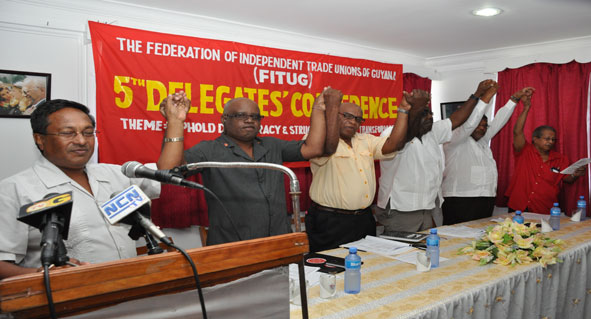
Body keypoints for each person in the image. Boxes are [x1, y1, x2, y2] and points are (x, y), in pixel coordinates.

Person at [0, 99, 160, 280]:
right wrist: (46, 275)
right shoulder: (14, 190)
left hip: (128, 288)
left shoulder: (114, 174)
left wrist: (175, 122)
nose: (81, 141)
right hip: (65, 299)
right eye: (68, 133)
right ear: (40, 139)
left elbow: (163, 173)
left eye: (88, 132)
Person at [157, 89, 337, 245]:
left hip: (279, 241)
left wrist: (318, 109)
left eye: (255, 116)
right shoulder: (209, 150)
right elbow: (167, 170)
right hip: (233, 248)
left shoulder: (271, 145)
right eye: (241, 116)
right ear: (224, 119)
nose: (249, 120)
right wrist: (176, 121)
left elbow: (313, 148)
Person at [305, 89, 429, 252]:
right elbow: (328, 149)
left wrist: (403, 109)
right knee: (331, 271)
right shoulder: (317, 139)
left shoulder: (366, 140)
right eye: (347, 116)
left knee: (367, 266)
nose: (352, 122)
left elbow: (395, 144)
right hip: (330, 221)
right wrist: (332, 106)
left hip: (363, 219)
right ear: (334, 115)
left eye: (357, 119)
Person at [375, 80, 497, 233]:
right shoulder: (391, 134)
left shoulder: (432, 133)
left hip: (428, 207)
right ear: (409, 115)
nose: (430, 118)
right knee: (400, 253)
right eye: (424, 114)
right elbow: (400, 140)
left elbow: (457, 119)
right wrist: (415, 107)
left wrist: (477, 95)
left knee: (424, 251)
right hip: (401, 209)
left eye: (431, 114)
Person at [441, 87, 535, 225]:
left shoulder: (483, 141)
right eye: (478, 125)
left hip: (486, 198)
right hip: (461, 199)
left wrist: (514, 99)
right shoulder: (455, 139)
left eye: (485, 126)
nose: (482, 128)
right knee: (457, 239)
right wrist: (485, 98)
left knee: (479, 239)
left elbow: (499, 121)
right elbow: (470, 123)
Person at [505, 92, 587, 214]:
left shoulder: (561, 159)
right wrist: (526, 107)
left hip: (543, 208)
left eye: (553, 139)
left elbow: (567, 180)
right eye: (547, 139)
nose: (550, 142)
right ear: (535, 139)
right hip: (518, 206)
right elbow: (517, 132)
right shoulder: (524, 151)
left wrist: (576, 174)